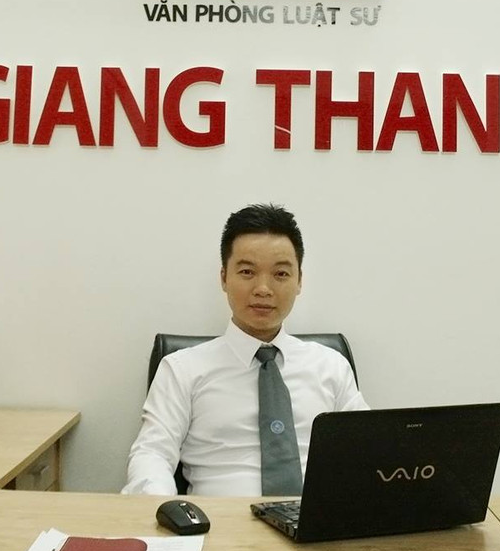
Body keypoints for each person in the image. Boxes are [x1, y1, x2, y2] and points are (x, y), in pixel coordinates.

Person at [122, 203, 368, 496]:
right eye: (248, 271)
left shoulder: (332, 366)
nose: (263, 289)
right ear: (224, 277)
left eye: (280, 274)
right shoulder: (181, 370)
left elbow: (367, 451)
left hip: (316, 518)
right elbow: (152, 455)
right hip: (219, 520)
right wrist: (164, 508)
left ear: (299, 281)